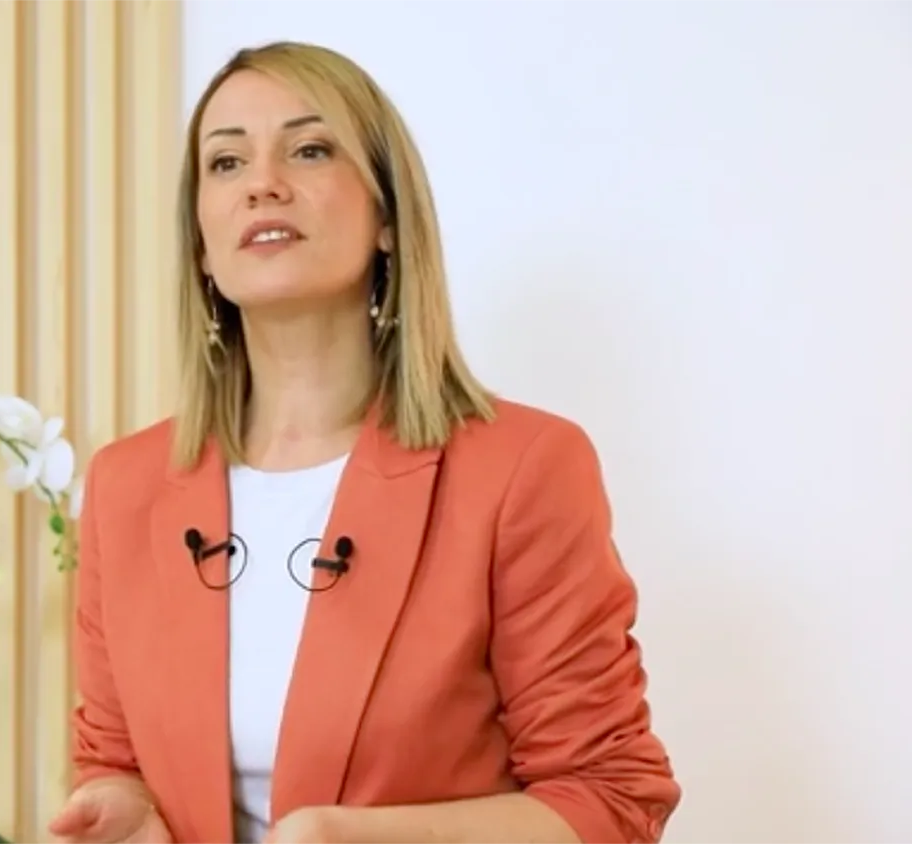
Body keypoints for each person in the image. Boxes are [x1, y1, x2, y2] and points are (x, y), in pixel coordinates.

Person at [46, 41, 680, 844]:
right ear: (202, 244)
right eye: (226, 163)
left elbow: (608, 799)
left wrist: (350, 838)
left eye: (309, 149)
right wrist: (125, 805)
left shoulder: (522, 468)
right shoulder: (126, 484)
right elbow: (113, 757)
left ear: (387, 217)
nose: (263, 183)